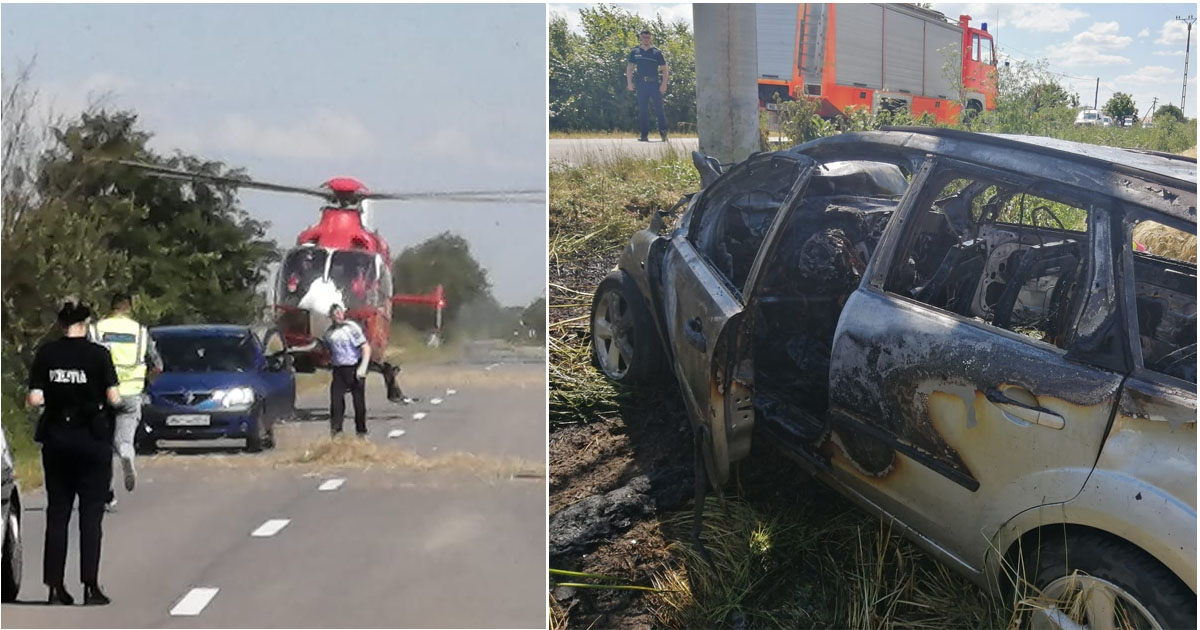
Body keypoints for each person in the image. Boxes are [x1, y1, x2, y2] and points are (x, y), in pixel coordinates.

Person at [27, 299, 119, 606]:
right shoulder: (98, 355)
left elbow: (35, 399)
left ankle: (54, 587)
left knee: (58, 514)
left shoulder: (47, 354)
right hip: (92, 442)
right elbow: (113, 396)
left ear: (62, 324)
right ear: (85, 323)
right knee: (91, 517)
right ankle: (90, 586)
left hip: (56, 441)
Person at [89, 292, 159, 507]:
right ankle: (127, 454)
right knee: (124, 439)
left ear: (110, 307)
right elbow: (157, 364)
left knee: (102, 446)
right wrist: (148, 384)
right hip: (131, 392)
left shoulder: (96, 329)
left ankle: (107, 494)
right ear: (129, 307)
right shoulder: (140, 331)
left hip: (103, 393)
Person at [323, 302, 370, 437]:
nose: (337, 315)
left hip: (354, 368)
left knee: (358, 403)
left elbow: (365, 347)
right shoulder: (329, 333)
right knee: (336, 401)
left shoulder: (351, 328)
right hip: (339, 370)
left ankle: (361, 431)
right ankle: (336, 432)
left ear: (343, 313)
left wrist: (363, 367)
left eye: (339, 312)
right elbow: (325, 348)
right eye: (334, 313)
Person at [626, 29, 670, 142]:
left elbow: (664, 69)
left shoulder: (656, 52)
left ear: (651, 38)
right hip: (641, 84)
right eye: (644, 37)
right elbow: (630, 68)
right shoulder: (635, 52)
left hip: (654, 84)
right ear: (640, 38)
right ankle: (644, 135)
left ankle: (663, 134)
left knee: (659, 110)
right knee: (643, 110)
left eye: (648, 37)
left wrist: (664, 84)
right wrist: (629, 82)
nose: (646, 39)